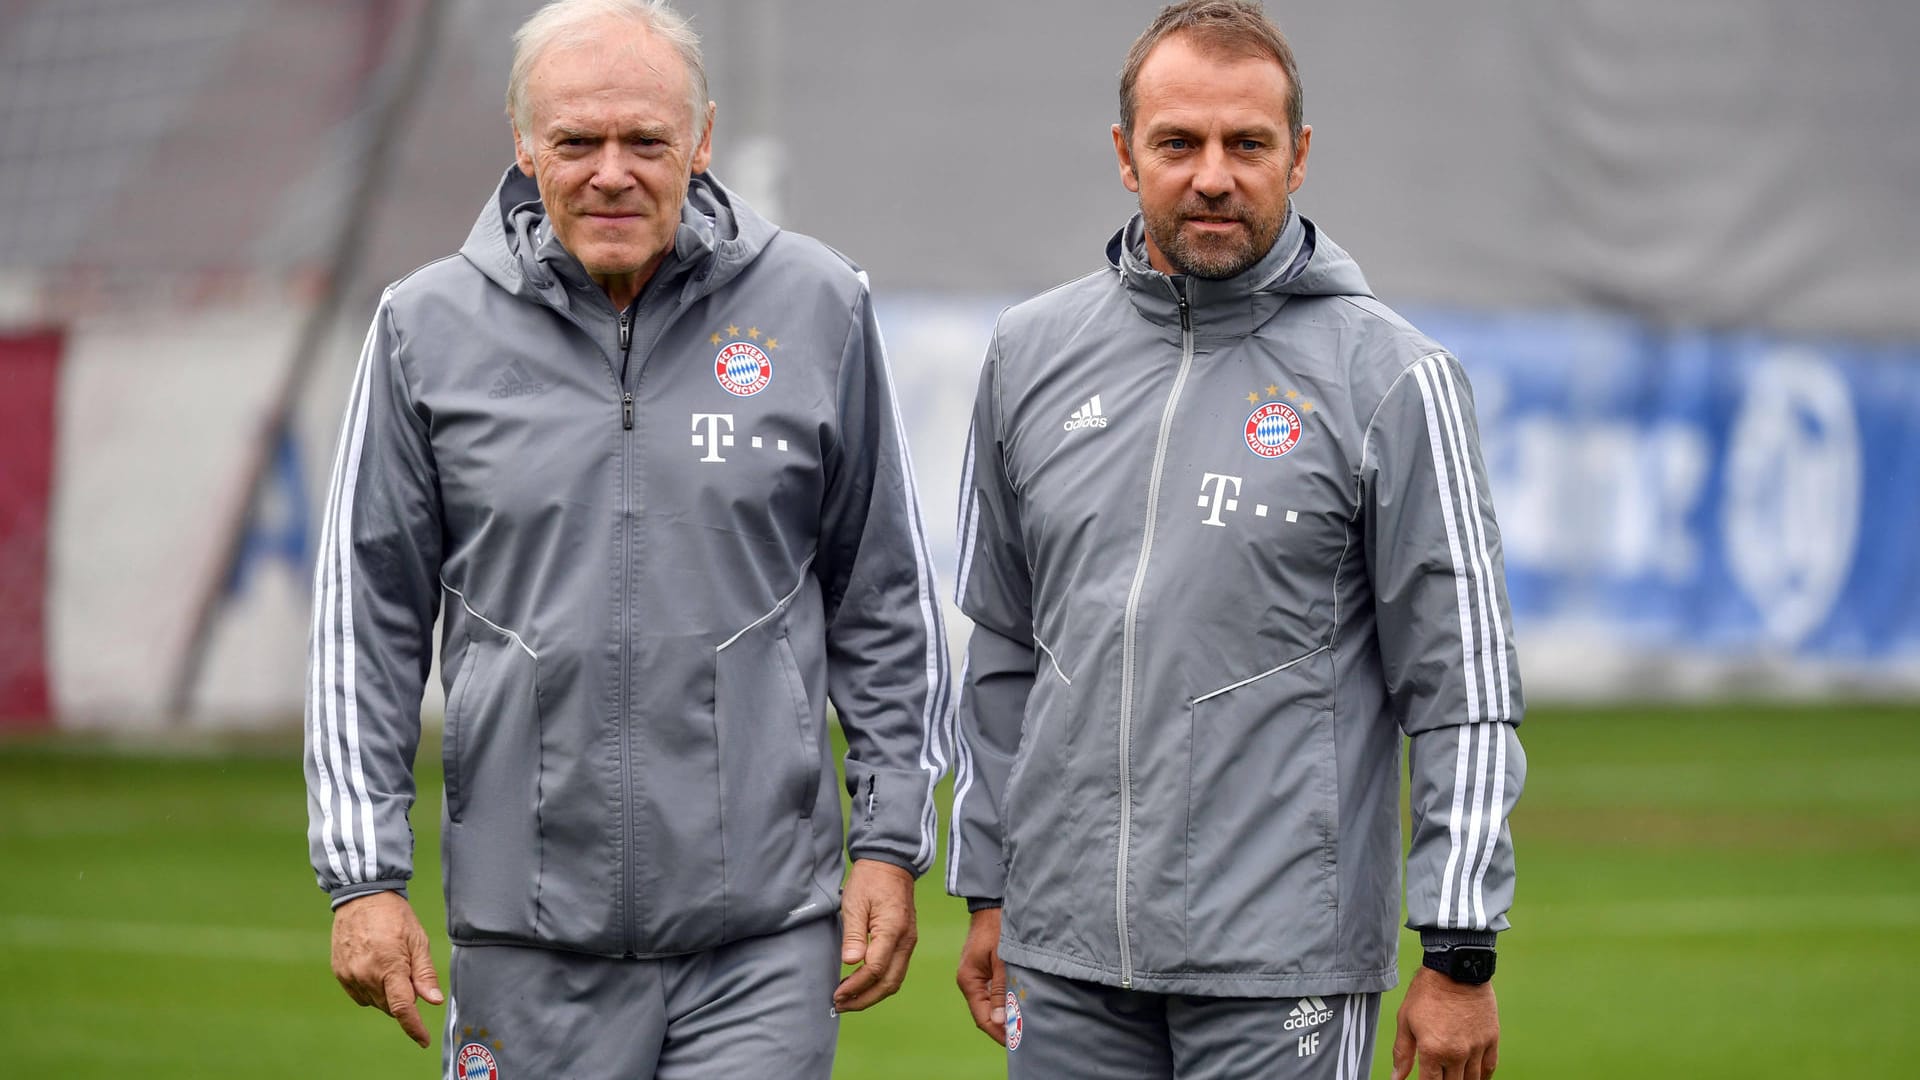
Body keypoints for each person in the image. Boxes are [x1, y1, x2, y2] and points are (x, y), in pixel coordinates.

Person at [303, 2, 950, 1076]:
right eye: (577, 142)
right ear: (523, 143)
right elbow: (364, 623)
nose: (613, 172)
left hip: (767, 939)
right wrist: (364, 876)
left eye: (646, 142)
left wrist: (887, 839)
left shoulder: (819, 305)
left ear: (700, 140)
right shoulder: (423, 329)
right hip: (526, 940)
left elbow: (883, 594)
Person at [946, 3, 1526, 1078]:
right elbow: (1003, 648)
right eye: (1179, 143)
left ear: (1297, 156)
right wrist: (988, 884)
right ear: (1127, 156)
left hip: (1283, 969)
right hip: (1066, 962)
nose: (1213, 176)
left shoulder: (1393, 378)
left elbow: (1465, 685)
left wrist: (1459, 948)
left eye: (1246, 144)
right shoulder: (1028, 356)